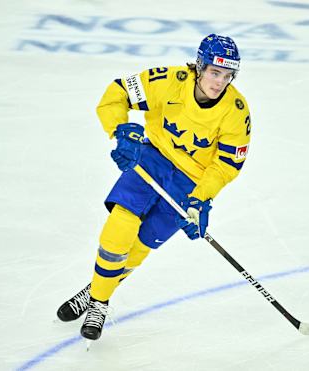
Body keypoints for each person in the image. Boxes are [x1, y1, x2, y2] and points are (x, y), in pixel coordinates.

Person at [56, 34, 252, 342]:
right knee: (121, 224)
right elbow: (117, 92)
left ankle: (96, 288)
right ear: (199, 67)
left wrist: (200, 200)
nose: (220, 82)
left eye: (228, 76)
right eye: (215, 72)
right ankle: (99, 303)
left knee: (140, 247)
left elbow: (226, 165)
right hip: (152, 159)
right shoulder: (168, 81)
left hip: (189, 183)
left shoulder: (236, 111)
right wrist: (121, 131)